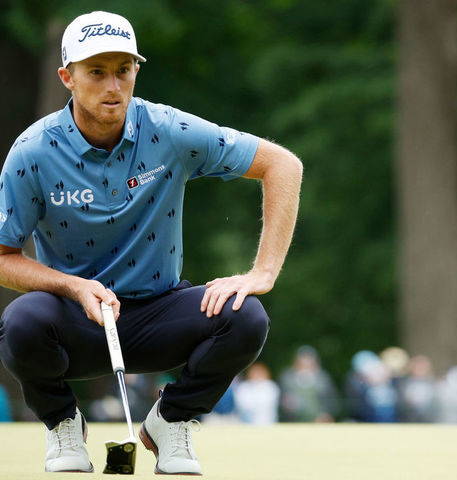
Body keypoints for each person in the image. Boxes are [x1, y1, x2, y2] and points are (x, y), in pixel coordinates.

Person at [0, 10, 302, 475]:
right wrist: (74, 287)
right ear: (68, 77)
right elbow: (3, 256)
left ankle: (171, 420)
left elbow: (282, 165)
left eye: (123, 70)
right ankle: (62, 423)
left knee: (246, 317)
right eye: (96, 72)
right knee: (19, 324)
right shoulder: (33, 152)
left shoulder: (169, 130)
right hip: (76, 320)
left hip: (160, 312)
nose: (113, 87)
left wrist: (262, 273)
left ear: (136, 70)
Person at [278, 346, 338, 422]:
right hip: (292, 422)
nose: (305, 367)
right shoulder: (286, 378)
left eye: (309, 363)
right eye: (302, 363)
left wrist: (326, 414)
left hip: (318, 422)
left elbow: (332, 400)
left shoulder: (324, 379)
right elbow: (280, 399)